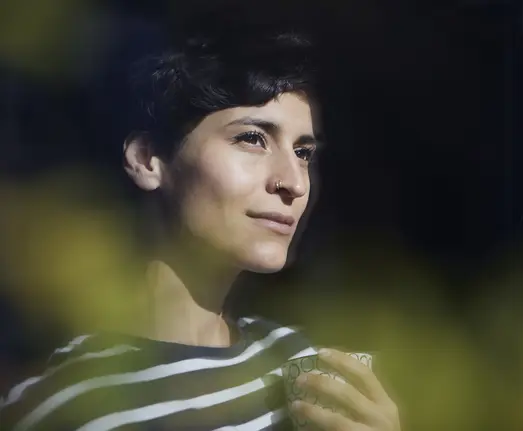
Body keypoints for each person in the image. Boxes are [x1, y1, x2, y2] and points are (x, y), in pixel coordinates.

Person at [0, 23, 400, 430]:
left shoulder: (305, 370)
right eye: (252, 138)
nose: (294, 182)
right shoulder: (66, 407)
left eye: (303, 152)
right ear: (147, 159)